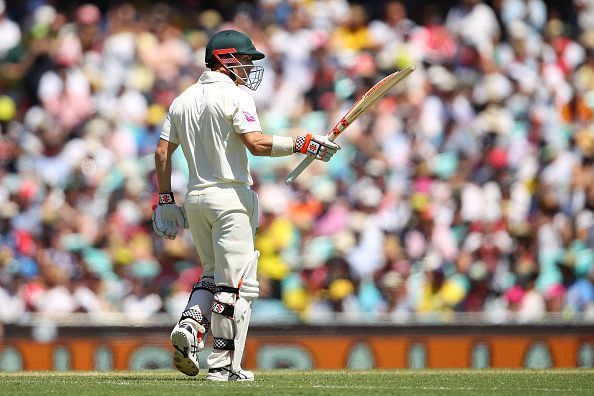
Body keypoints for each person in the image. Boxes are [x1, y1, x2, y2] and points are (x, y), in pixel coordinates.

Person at [152, 29, 340, 381]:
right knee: (234, 285)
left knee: (211, 276)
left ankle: (191, 326)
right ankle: (222, 366)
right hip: (230, 198)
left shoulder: (182, 99)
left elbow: (162, 151)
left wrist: (164, 200)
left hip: (195, 199)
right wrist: (304, 143)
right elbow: (255, 143)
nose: (250, 67)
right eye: (246, 59)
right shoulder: (235, 96)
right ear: (225, 59)